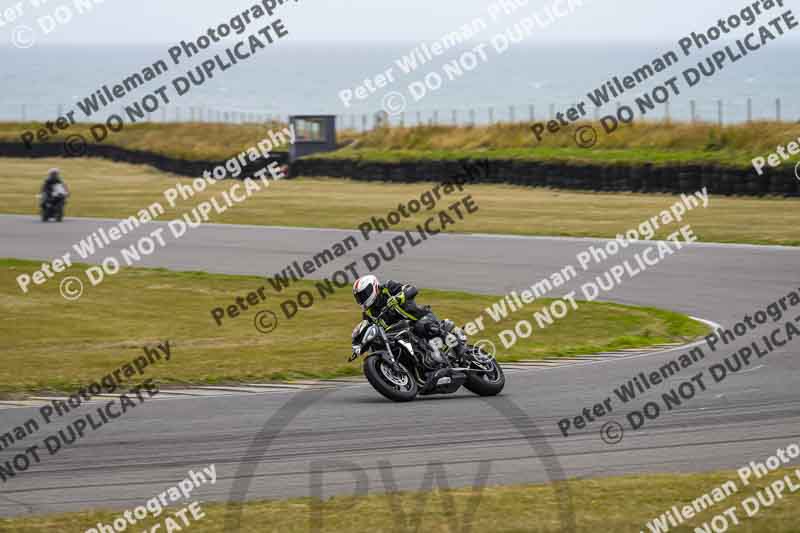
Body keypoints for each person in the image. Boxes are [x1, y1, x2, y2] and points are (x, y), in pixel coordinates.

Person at [352, 274, 451, 345]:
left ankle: (456, 346)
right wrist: (358, 341)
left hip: (417, 318)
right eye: (359, 297)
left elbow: (412, 289)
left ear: (373, 286)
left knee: (424, 326)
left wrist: (399, 297)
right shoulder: (368, 313)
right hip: (399, 335)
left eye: (364, 294)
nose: (362, 298)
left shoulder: (388, 287)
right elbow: (367, 329)